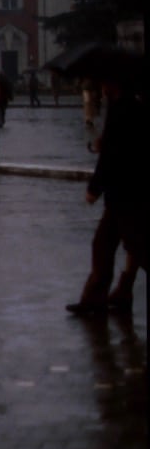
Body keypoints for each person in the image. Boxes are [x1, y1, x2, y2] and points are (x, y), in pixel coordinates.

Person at [67, 65, 146, 317]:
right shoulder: (131, 105)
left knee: (137, 246)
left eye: (105, 81)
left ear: (115, 84)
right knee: (104, 244)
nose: (101, 86)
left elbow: (113, 156)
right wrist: (105, 142)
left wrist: (94, 188)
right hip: (127, 191)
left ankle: (100, 297)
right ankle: (96, 298)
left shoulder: (121, 108)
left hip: (126, 192)